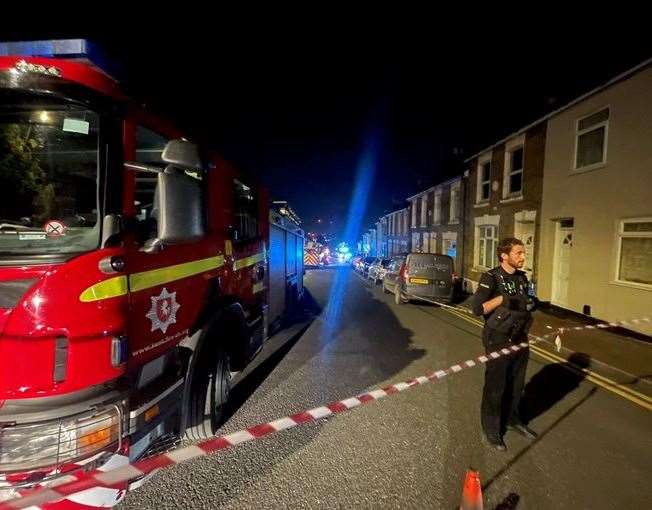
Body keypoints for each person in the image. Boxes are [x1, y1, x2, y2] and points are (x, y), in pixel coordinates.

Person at [471, 237, 538, 451]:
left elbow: (529, 302)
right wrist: (502, 299)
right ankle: (491, 428)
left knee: (516, 384)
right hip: (497, 337)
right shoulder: (491, 277)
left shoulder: (522, 278)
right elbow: (477, 308)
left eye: (523, 252)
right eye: (518, 253)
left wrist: (530, 303)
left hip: (520, 336)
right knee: (496, 385)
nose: (523, 257)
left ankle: (512, 419)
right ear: (504, 255)